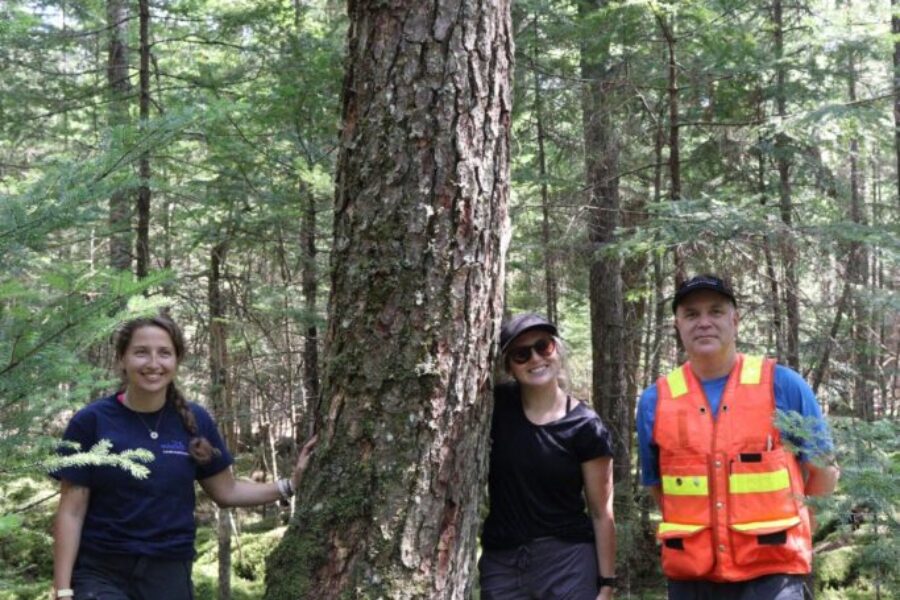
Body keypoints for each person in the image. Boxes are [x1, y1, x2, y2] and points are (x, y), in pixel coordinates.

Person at [50, 314, 317, 600]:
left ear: (176, 361)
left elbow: (227, 492)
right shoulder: (91, 422)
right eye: (141, 352)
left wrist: (290, 485)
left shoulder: (195, 420)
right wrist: (63, 590)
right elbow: (71, 511)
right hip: (101, 572)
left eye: (164, 353)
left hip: (169, 572)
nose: (153, 363)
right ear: (122, 359)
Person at [636, 275, 840, 600]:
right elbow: (658, 485)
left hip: (773, 573)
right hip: (692, 578)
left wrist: (803, 529)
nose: (704, 322)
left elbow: (824, 471)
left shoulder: (782, 385)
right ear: (677, 324)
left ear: (735, 320)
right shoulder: (655, 400)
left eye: (715, 311)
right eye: (691, 314)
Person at [479, 313, 617, 600]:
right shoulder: (494, 408)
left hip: (567, 561)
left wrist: (606, 584)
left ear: (556, 349)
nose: (535, 359)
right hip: (503, 563)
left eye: (543, 347)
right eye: (521, 354)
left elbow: (601, 511)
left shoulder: (586, 426)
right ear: (509, 366)